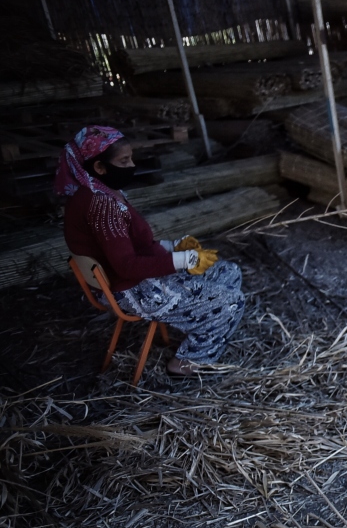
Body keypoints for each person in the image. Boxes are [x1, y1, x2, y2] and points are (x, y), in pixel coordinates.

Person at [58, 126, 244, 376]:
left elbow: (133, 244)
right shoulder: (102, 206)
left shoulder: (99, 192)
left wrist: (171, 247)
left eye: (131, 158)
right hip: (131, 290)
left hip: (130, 280)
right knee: (232, 300)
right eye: (124, 161)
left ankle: (201, 325)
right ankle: (187, 363)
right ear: (100, 167)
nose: (132, 165)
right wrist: (183, 259)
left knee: (228, 272)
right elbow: (127, 265)